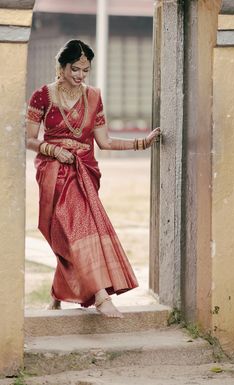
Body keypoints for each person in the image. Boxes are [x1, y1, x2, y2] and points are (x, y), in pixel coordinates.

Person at [26, 39, 161, 318]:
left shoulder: (94, 97)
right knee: (68, 235)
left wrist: (141, 143)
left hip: (84, 173)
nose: (80, 76)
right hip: (54, 174)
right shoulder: (43, 96)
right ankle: (75, 294)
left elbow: (105, 141)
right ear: (61, 67)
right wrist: (54, 150)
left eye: (85, 71)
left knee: (79, 233)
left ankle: (99, 296)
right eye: (75, 69)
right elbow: (27, 139)